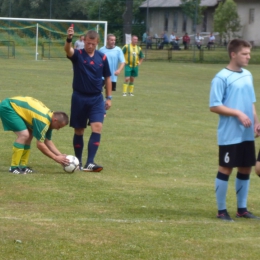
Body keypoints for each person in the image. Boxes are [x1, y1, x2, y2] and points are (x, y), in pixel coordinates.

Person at [209, 39, 260, 222]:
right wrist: (237, 113)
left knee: (246, 168)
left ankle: (242, 209)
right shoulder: (221, 77)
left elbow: (250, 102)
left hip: (246, 133)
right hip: (230, 133)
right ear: (233, 54)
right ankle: (221, 211)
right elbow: (214, 106)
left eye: (249, 53)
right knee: (226, 168)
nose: (249, 57)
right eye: (245, 54)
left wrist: (256, 121)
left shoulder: (247, 75)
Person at [64, 27, 112, 172]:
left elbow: (108, 78)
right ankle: (78, 162)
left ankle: (90, 162)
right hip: (79, 97)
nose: (90, 46)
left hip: (97, 98)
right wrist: (69, 39)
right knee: (79, 130)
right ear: (84, 41)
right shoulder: (78, 55)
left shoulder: (102, 57)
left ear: (97, 43)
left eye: (93, 44)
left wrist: (109, 97)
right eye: (87, 43)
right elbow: (68, 50)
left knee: (97, 127)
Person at [0, 96, 69, 174]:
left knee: (29, 135)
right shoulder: (43, 121)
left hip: (16, 108)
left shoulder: (50, 119)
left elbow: (48, 141)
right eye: (59, 126)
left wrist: (61, 156)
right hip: (8, 107)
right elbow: (40, 145)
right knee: (24, 135)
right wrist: (55, 157)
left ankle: (23, 167)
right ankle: (13, 167)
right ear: (55, 120)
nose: (58, 129)